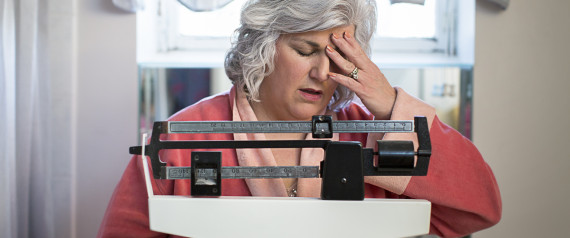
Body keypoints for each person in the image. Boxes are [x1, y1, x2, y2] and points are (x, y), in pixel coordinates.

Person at [98, 0, 502, 237]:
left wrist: (389, 102)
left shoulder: (375, 136)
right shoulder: (179, 145)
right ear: (263, 47)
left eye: (336, 56)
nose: (323, 74)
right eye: (306, 50)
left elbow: (480, 208)